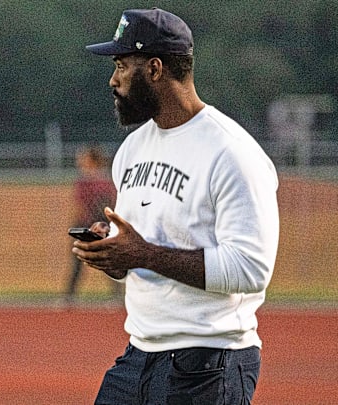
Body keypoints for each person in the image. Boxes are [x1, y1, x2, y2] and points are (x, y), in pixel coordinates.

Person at [73, 8, 279, 404]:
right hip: (139, 352)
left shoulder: (231, 153)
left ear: (154, 68)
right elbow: (144, 246)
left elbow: (251, 269)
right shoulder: (132, 149)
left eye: (121, 65)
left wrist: (142, 254)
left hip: (210, 360)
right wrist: (114, 255)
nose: (113, 80)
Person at [65, 145, 117, 302]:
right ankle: (70, 296)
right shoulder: (103, 180)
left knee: (104, 259)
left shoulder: (91, 181)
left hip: (94, 224)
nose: (80, 162)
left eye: (83, 159)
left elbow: (81, 206)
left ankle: (70, 297)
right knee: (85, 260)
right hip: (98, 224)